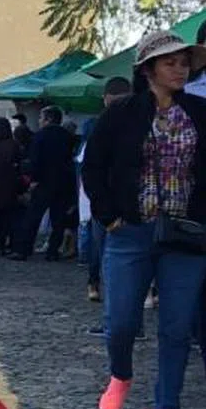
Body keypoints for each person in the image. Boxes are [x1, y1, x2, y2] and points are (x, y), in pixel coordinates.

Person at [83, 29, 206, 409]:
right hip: (131, 232)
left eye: (184, 61)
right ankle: (120, 373)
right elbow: (93, 168)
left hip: (186, 236)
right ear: (149, 68)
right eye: (171, 62)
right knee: (121, 323)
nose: (180, 68)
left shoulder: (200, 113)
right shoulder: (121, 114)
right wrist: (109, 217)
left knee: (175, 328)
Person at [82, 78, 133, 305]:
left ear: (105, 98)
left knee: (101, 247)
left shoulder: (96, 124)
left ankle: (95, 285)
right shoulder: (140, 120)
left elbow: (89, 166)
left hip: (108, 201)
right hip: (127, 202)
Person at [16, 105, 77, 261]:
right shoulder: (68, 137)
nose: (39, 121)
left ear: (48, 119)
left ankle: (24, 249)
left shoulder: (40, 136)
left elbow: (35, 161)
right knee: (58, 220)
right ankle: (52, 251)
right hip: (62, 182)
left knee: (33, 217)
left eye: (41, 118)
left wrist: (33, 179)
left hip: (44, 182)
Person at [0, 115, 24, 258]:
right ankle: (2, 246)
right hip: (9, 187)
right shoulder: (13, 145)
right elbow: (18, 165)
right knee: (5, 220)